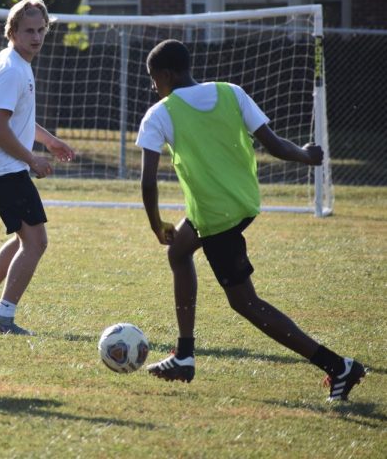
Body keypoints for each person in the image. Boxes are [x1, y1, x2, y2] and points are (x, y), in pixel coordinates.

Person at [136, 39, 367, 402]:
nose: (153, 87)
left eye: (153, 79)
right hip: (239, 202)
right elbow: (273, 145)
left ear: (165, 75)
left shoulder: (160, 113)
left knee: (245, 303)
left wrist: (155, 223)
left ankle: (338, 366)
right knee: (179, 253)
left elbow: (148, 180)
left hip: (216, 217)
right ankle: (183, 354)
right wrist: (306, 156)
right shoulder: (232, 93)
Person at [0, 0, 76, 335]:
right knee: (36, 242)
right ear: (12, 31)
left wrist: (49, 141)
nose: (37, 37)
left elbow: (17, 120)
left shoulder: (16, 61)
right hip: (2, 168)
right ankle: (4, 319)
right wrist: (32, 159)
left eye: (41, 30)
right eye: (29, 30)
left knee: (24, 238)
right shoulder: (12, 69)